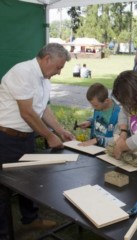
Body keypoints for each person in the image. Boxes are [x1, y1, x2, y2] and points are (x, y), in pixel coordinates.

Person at [0, 43, 75, 239]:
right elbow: (27, 113)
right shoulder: (22, 72)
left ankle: (31, 219)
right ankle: (4, 233)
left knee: (29, 181)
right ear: (47, 58)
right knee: (3, 188)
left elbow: (42, 109)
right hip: (6, 138)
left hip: (26, 137)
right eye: (58, 67)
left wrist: (60, 130)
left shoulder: (45, 79)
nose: (59, 72)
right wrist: (49, 136)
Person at [77, 83, 120, 147]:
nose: (93, 107)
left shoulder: (118, 115)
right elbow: (97, 119)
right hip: (94, 147)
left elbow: (118, 139)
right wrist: (90, 122)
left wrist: (98, 140)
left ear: (106, 101)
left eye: (95, 105)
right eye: (92, 104)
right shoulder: (99, 107)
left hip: (107, 150)